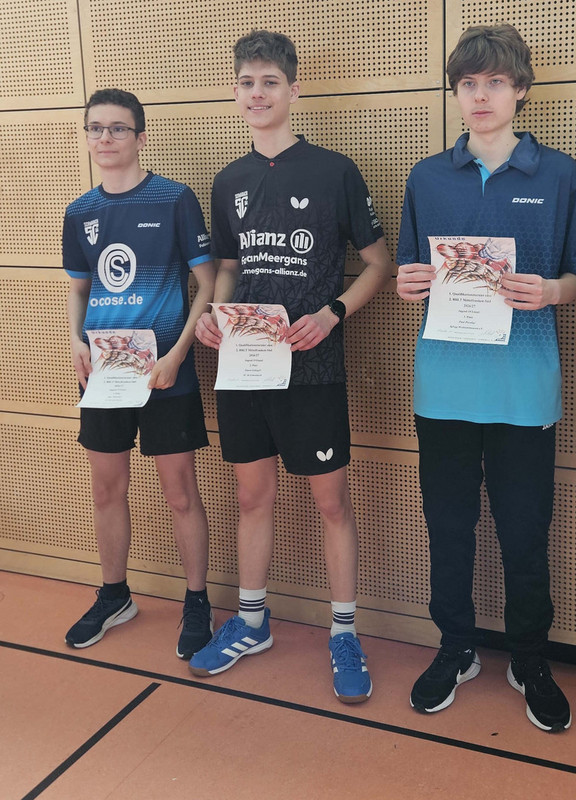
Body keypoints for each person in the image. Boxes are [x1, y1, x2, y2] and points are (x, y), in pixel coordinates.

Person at [396, 23, 576, 732]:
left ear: (521, 91)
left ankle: (529, 657)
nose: (481, 96)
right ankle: (455, 647)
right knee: (448, 529)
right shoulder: (426, 177)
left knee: (524, 533)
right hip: (444, 388)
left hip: (524, 390)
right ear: (455, 93)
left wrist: (551, 291)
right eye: (468, 84)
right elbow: (410, 272)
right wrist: (409, 284)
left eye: (496, 82)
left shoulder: (558, 175)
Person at [192, 30, 392, 704]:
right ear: (236, 92)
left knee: (331, 502)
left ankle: (344, 632)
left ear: (293, 90)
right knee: (252, 497)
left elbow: (379, 263)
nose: (258, 94)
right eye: (247, 83)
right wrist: (213, 315)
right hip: (246, 367)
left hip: (313, 370)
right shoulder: (229, 180)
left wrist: (333, 313)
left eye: (270, 82)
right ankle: (252, 622)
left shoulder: (334, 171)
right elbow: (227, 266)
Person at [63, 89, 216, 659]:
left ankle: (196, 600)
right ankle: (115, 595)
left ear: (140, 136)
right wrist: (75, 340)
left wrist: (177, 355)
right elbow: (79, 290)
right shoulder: (80, 212)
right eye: (95, 128)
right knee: (106, 488)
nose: (105, 138)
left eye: (118, 128)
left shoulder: (174, 198)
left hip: (165, 374)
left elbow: (208, 284)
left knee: (180, 492)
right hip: (104, 374)